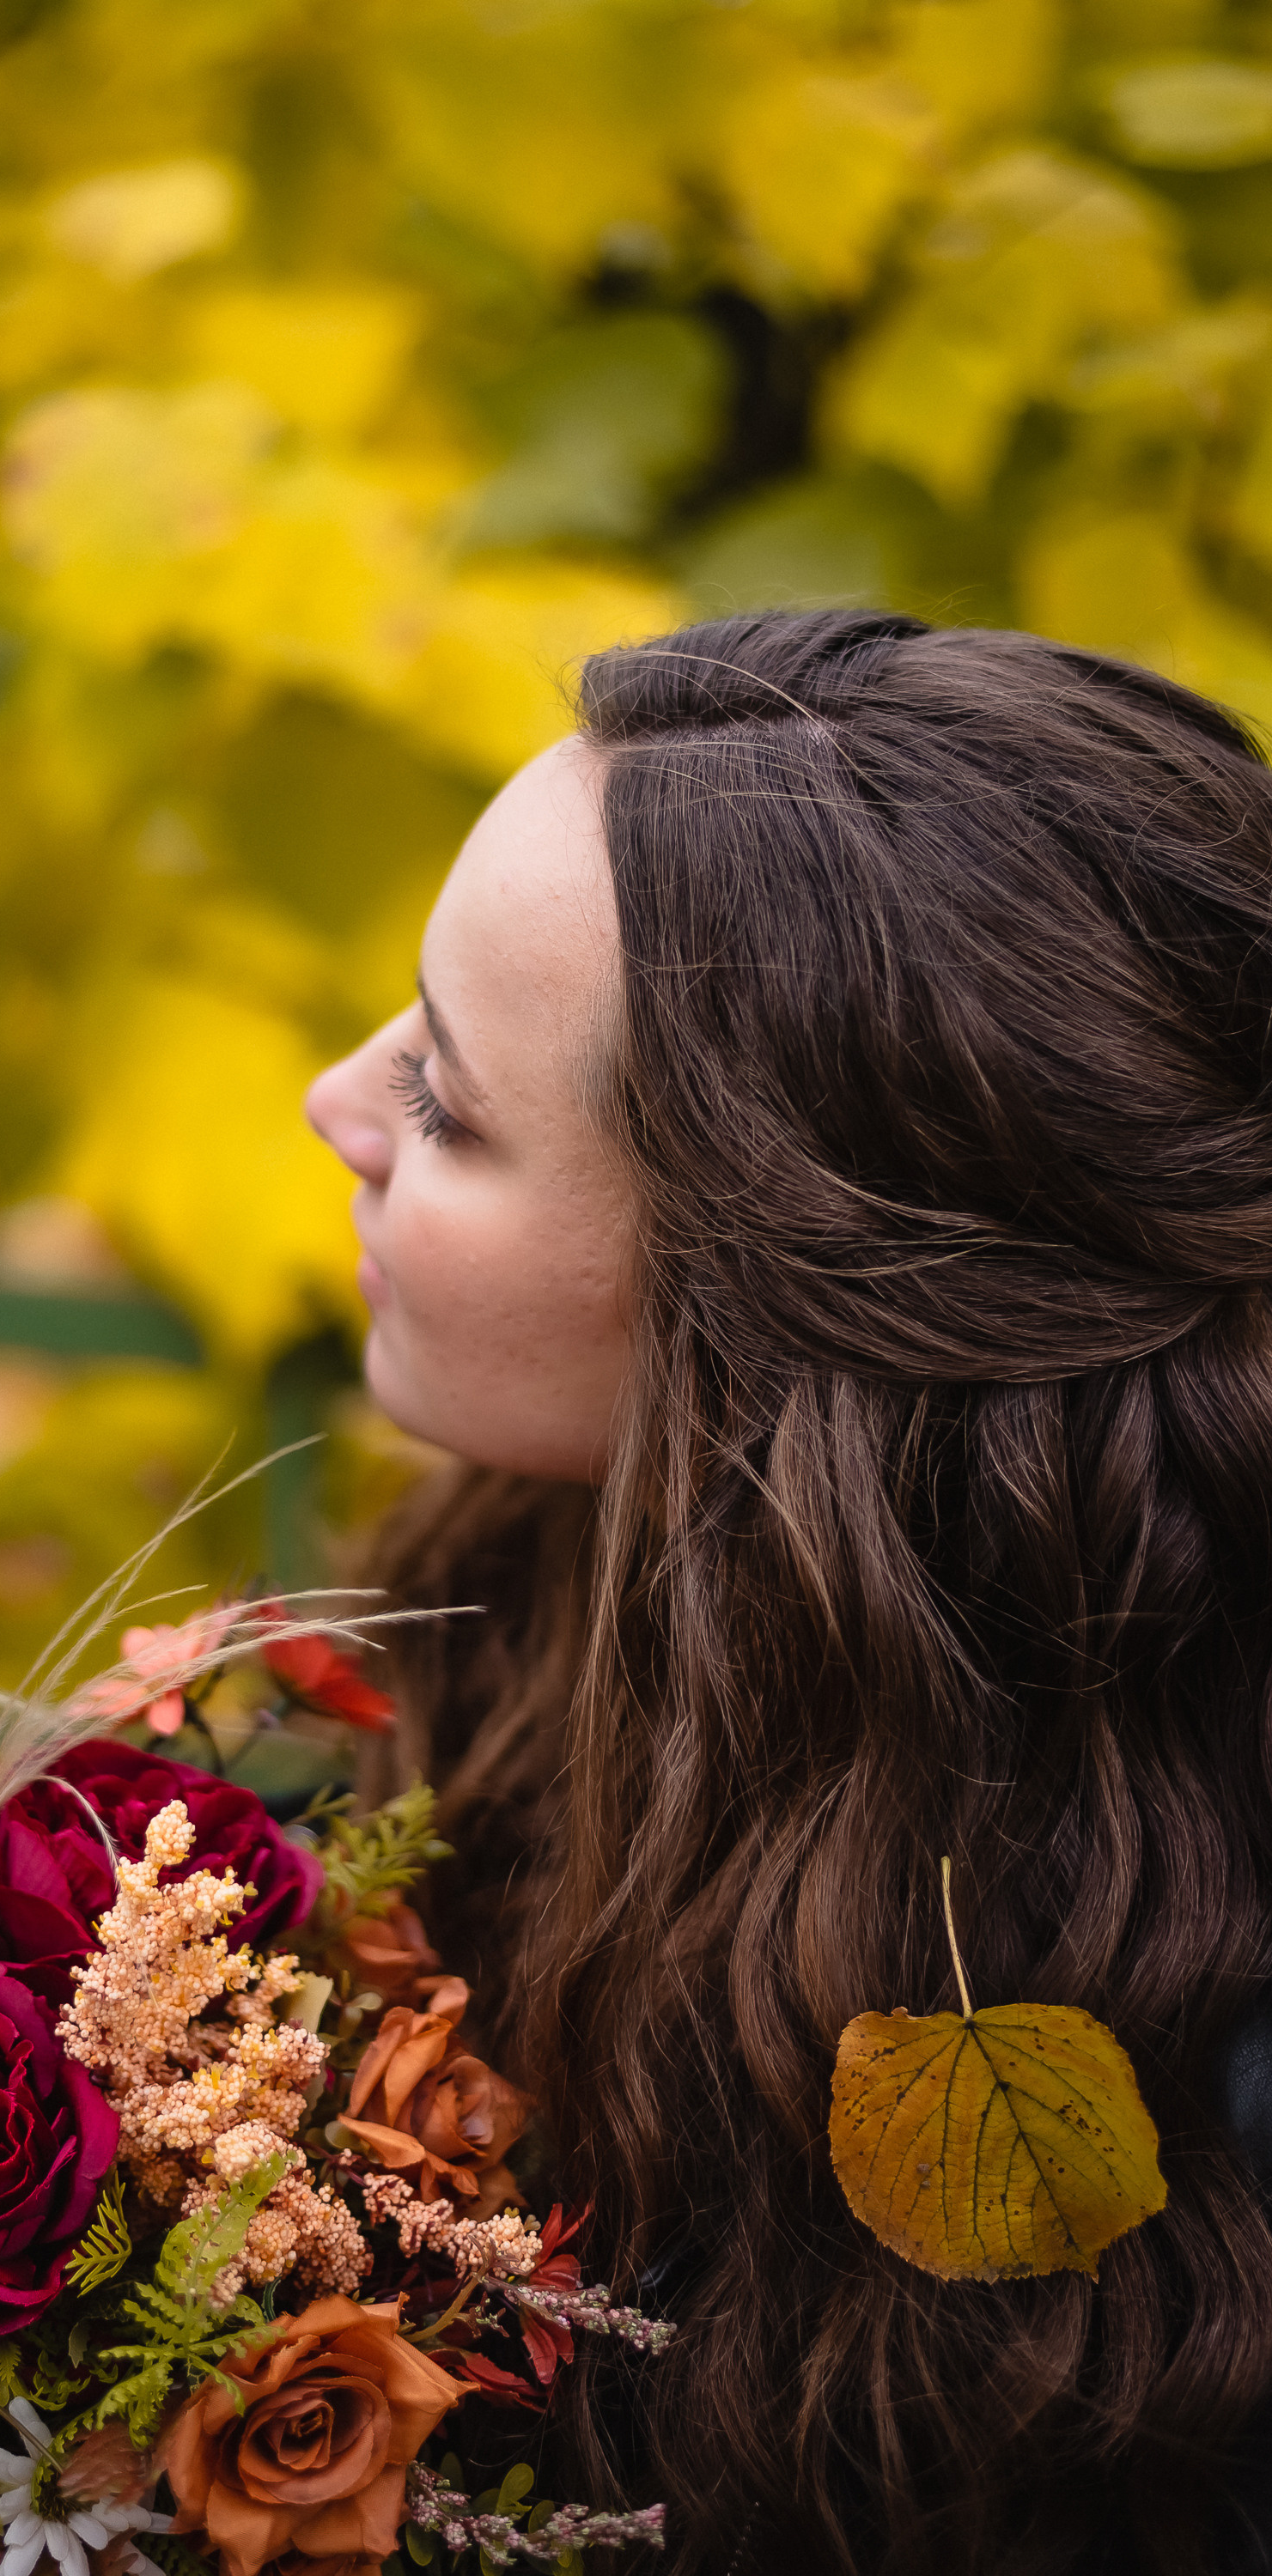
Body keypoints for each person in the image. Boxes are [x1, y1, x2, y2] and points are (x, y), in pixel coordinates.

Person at [305, 611, 1272, 2576]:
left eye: (444, 1105)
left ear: (765, 1324)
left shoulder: (1203, 2057)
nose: (337, 1099)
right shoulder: (504, 1619)